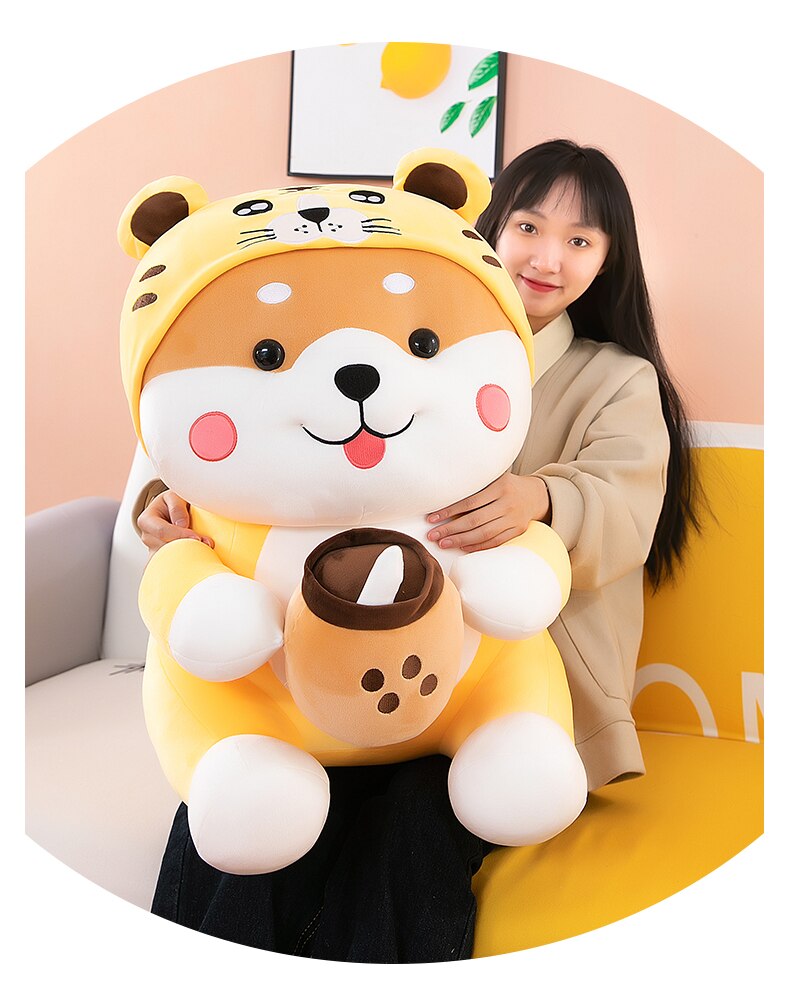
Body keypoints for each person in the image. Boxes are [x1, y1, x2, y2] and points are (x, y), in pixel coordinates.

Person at [138, 139, 700, 961]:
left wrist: (540, 498)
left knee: (408, 820)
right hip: (323, 660)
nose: (548, 258)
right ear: (488, 229)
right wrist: (167, 508)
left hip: (498, 684)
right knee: (247, 822)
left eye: (581, 240)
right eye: (528, 227)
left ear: (610, 259)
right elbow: (274, 450)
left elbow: (627, 510)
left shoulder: (613, 377)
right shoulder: (387, 334)